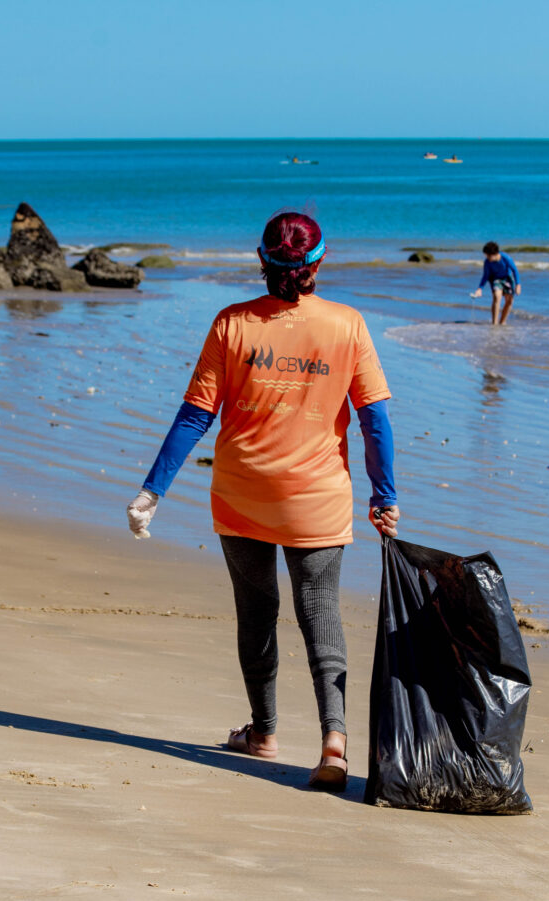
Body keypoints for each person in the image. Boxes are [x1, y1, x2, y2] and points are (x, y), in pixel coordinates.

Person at [126, 212, 400, 792]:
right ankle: (334, 744)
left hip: (242, 493)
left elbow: (195, 416)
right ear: (319, 263)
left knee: (257, 615)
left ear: (262, 261)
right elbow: (374, 420)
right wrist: (386, 495)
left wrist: (152, 490)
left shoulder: (232, 324)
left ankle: (264, 732)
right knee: (320, 617)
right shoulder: (348, 325)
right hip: (317, 498)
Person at [471, 241, 521, 325]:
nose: (487, 257)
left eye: (488, 255)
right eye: (486, 255)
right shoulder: (487, 262)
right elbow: (485, 276)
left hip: (507, 278)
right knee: (497, 296)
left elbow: (514, 270)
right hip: (496, 279)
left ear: (495, 253)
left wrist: (518, 284)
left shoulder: (506, 258)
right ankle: (494, 323)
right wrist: (480, 288)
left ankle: (502, 321)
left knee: (509, 301)